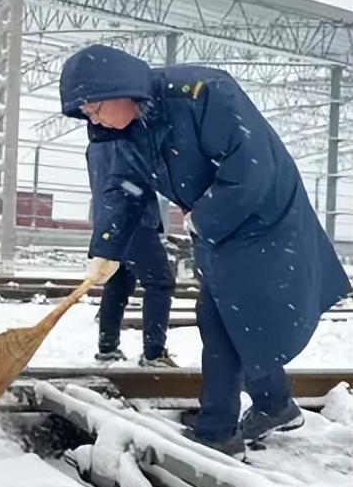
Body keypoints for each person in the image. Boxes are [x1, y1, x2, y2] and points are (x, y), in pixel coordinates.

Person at [61, 44, 350, 455]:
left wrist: (201, 218)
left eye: (94, 109)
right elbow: (123, 192)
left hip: (264, 215)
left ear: (119, 89)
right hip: (215, 224)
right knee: (226, 317)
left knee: (232, 315)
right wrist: (106, 249)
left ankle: (220, 428)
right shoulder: (124, 133)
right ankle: (272, 405)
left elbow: (251, 169)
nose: (94, 119)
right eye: (87, 115)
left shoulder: (201, 92)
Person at [86, 124, 175, 367]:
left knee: (119, 281)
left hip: (106, 220)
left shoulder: (94, 147)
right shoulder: (125, 143)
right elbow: (131, 183)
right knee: (161, 282)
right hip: (133, 219)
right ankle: (154, 352)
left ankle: (107, 346)